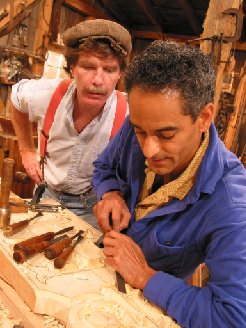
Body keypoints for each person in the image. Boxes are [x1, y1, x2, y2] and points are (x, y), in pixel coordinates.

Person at [92, 40, 246, 327]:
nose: (149, 150)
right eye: (140, 132)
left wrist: (145, 276)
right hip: (99, 275)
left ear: (204, 117)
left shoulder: (233, 205)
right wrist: (111, 193)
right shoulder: (143, 120)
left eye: (166, 135)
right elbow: (104, 167)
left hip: (147, 308)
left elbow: (232, 317)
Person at [11, 19, 132, 228]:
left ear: (119, 74)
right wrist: (26, 150)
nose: (98, 80)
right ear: (72, 68)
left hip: (93, 207)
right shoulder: (46, 95)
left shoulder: (130, 112)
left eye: (109, 70)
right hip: (46, 194)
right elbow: (16, 99)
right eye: (88, 67)